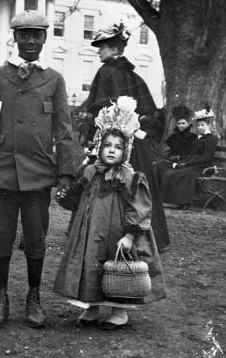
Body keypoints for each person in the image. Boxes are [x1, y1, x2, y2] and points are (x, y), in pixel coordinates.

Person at [0, 10, 75, 329]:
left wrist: (67, 171)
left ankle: (34, 297)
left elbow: (64, 127)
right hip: (2, 173)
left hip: (38, 174)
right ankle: (1, 299)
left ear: (44, 39)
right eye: (23, 34)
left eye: (36, 35)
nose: (29, 40)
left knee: (36, 238)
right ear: (14, 37)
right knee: (1, 238)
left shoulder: (54, 79)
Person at [53, 98, 165, 329]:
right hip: (90, 230)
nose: (112, 150)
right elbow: (77, 198)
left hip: (118, 231)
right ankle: (91, 306)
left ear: (126, 150)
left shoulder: (130, 177)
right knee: (90, 262)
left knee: (117, 267)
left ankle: (119, 311)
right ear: (99, 146)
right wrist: (67, 192)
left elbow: (140, 207)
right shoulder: (91, 171)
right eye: (107, 146)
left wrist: (130, 235)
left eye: (118, 147)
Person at [81, 23, 170, 251]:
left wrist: (90, 135)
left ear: (113, 49)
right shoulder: (134, 76)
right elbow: (152, 115)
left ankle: (107, 234)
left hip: (113, 145)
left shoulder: (106, 72)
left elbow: (96, 110)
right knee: (136, 185)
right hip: (136, 147)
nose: (99, 51)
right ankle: (149, 235)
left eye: (102, 47)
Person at [160, 108, 219, 209]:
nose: (200, 127)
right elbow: (191, 155)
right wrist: (182, 162)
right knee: (169, 173)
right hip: (194, 164)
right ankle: (174, 200)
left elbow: (206, 157)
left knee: (180, 174)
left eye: (202, 125)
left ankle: (184, 202)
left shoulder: (211, 139)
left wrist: (187, 164)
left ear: (208, 125)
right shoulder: (197, 138)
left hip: (203, 166)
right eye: (198, 125)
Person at [150, 105, 197, 188]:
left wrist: (178, 159)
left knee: (167, 173)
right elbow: (170, 152)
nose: (181, 125)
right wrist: (169, 158)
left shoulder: (193, 137)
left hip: (185, 163)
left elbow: (191, 154)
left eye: (183, 123)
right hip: (172, 161)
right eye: (179, 123)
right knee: (156, 166)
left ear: (188, 124)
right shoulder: (174, 137)